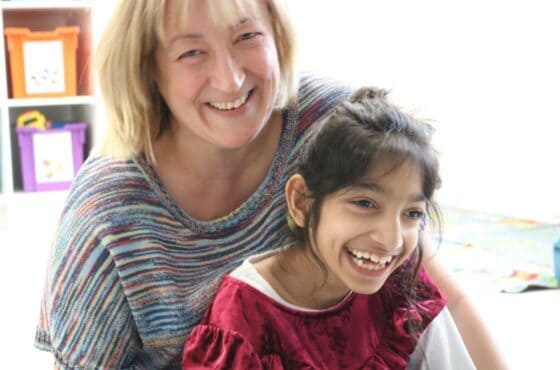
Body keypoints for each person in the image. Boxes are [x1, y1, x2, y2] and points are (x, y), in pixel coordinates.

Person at [34, 0, 507, 369]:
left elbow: (435, 293)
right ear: (148, 68)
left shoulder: (330, 122)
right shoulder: (107, 212)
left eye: (246, 36)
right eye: (192, 51)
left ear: (277, 36)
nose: (230, 78)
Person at [182, 87, 474, 369]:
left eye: (412, 213)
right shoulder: (242, 320)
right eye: (364, 203)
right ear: (302, 202)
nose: (390, 239)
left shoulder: (400, 285)